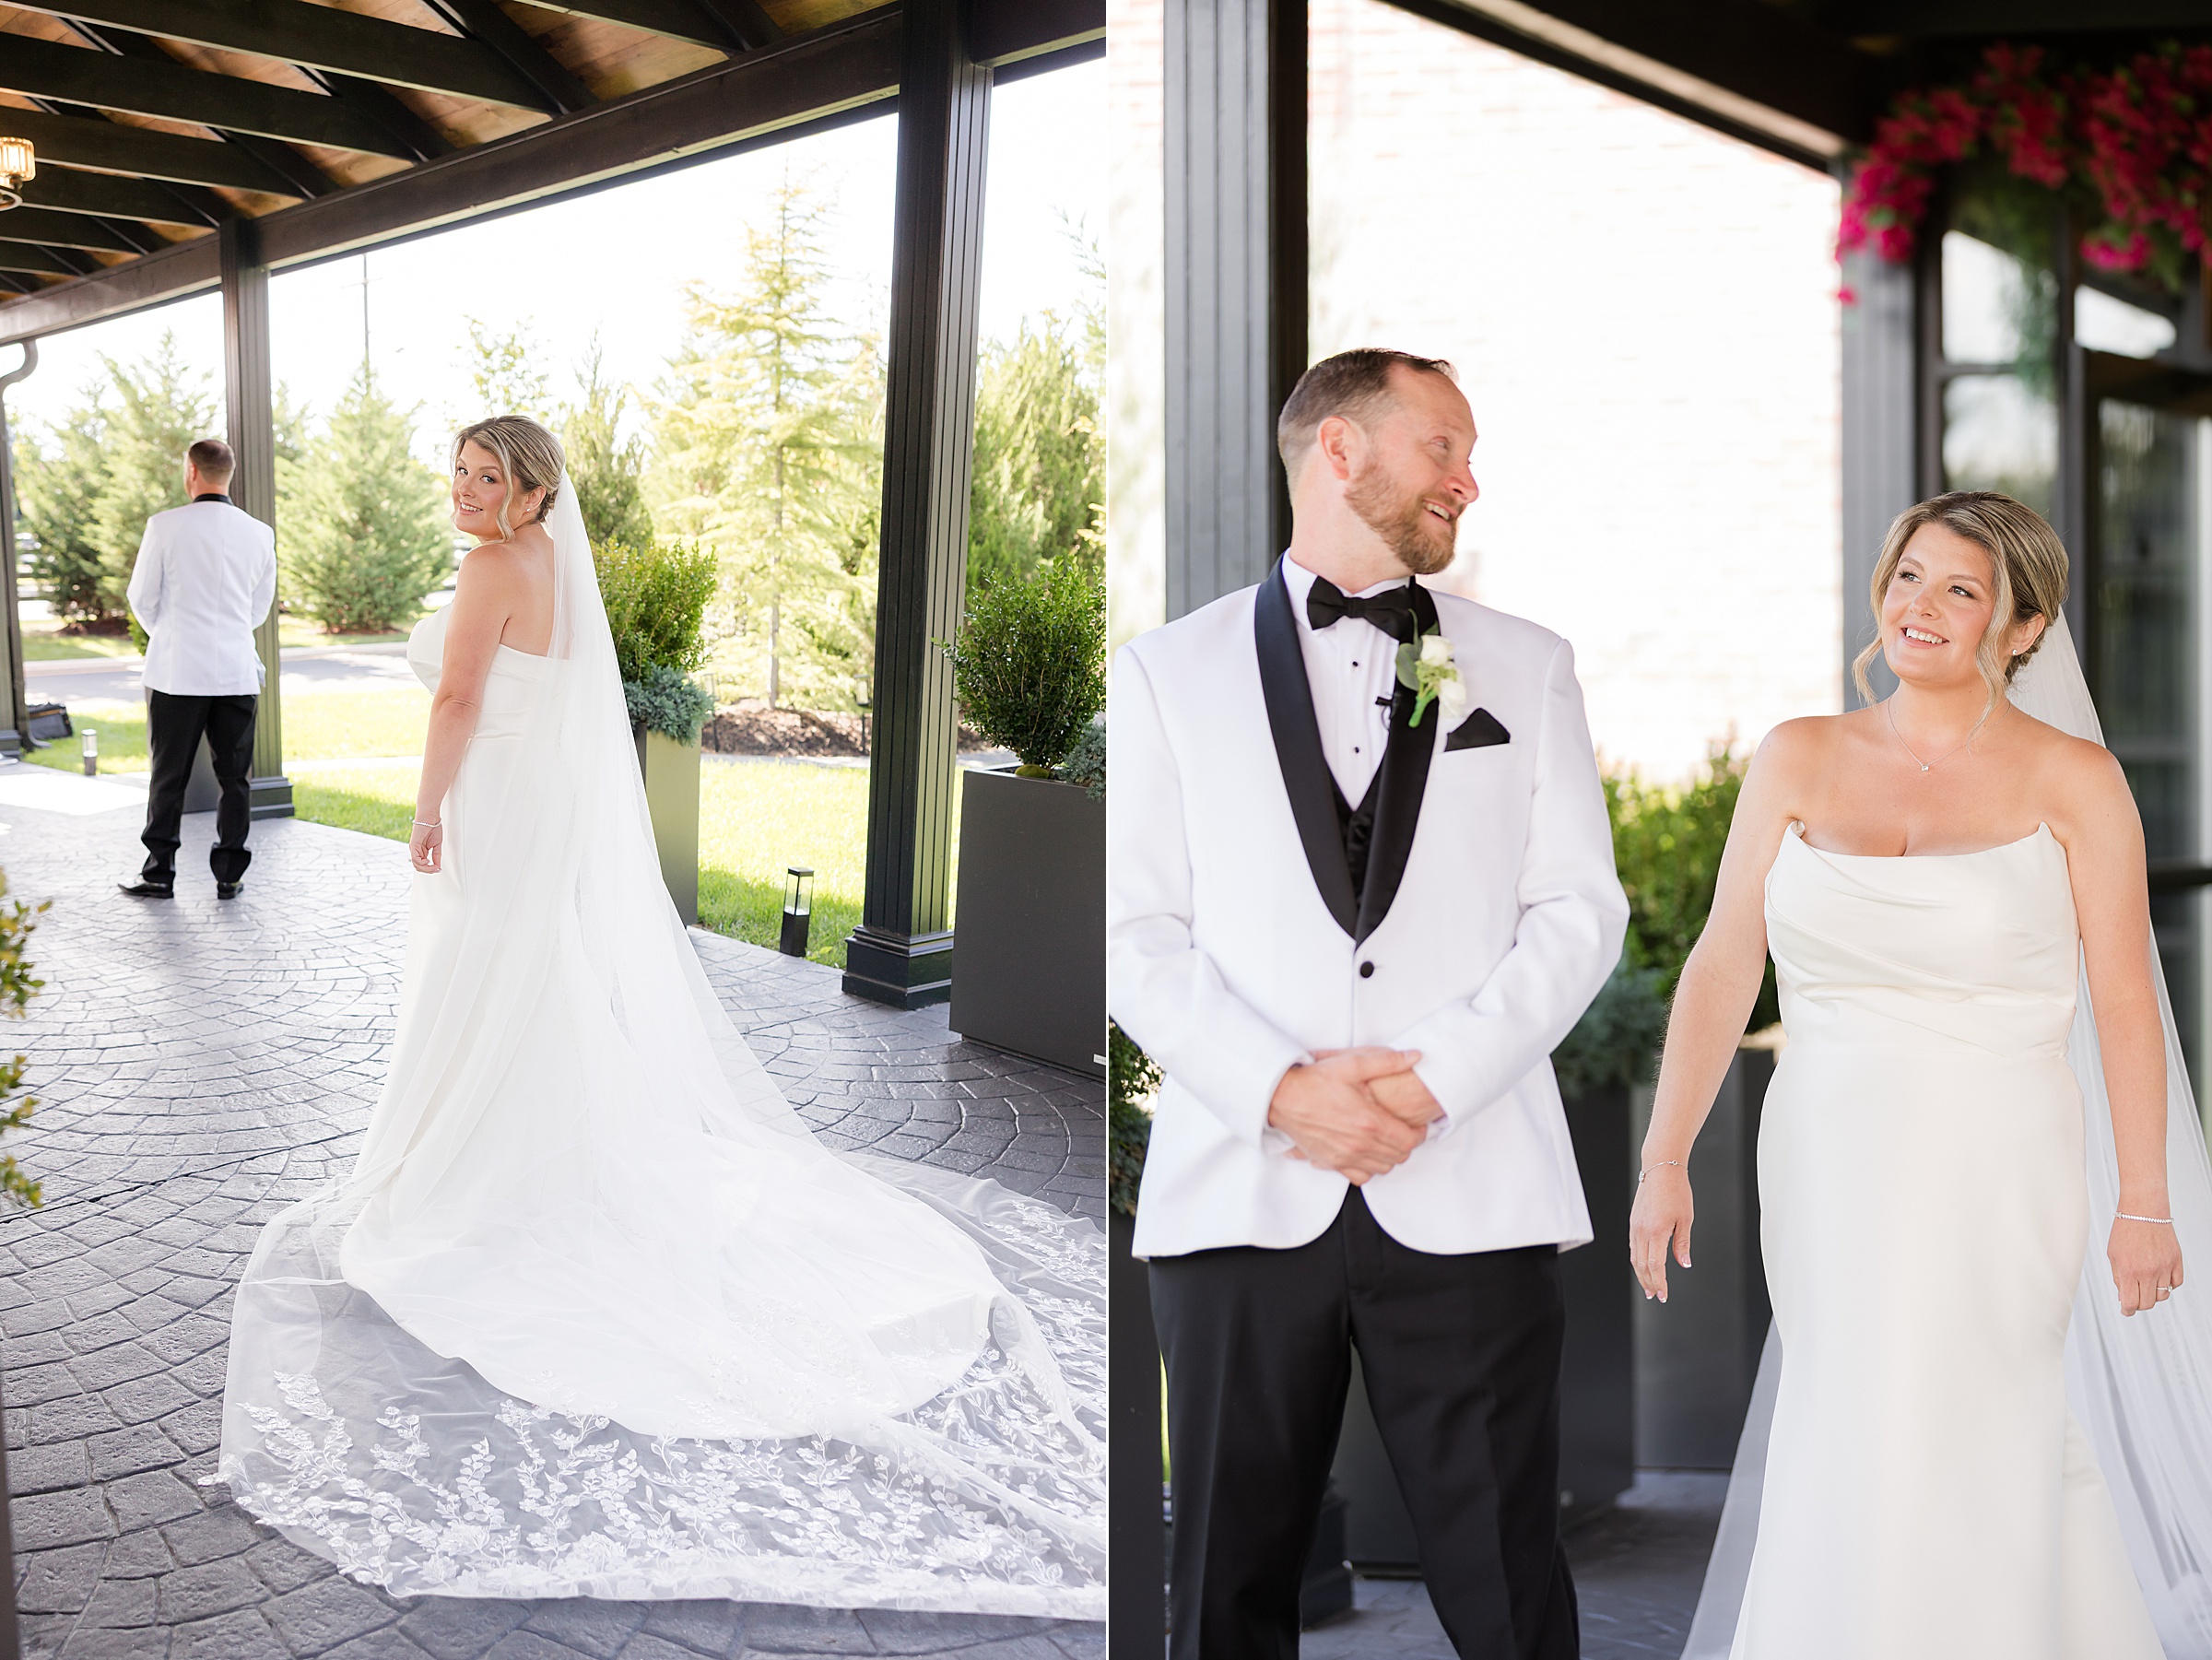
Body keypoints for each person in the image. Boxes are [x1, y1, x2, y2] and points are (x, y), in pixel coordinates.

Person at [215, 417, 1103, 1613]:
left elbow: (458, 701)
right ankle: (525, 1148)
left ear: (533, 492)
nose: (467, 493)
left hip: (488, 802)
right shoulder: (553, 572)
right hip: (535, 811)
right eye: (462, 474)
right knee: (529, 985)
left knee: (490, 985)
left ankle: (477, 1170)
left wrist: (425, 813)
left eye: (490, 477)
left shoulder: (494, 570)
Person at [1110, 349, 1627, 1660]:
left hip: (1470, 1186)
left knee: (1511, 1591)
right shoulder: (1168, 671)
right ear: (1339, 451)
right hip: (1237, 1188)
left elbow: (1579, 910)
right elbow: (1132, 932)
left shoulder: (1530, 664)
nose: (1469, 477)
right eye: (1444, 445)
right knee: (1224, 1589)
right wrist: (1281, 1093)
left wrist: (1436, 1080)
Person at [1637, 491, 2212, 1657]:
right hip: (1828, 1153)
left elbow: (2122, 1003)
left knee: (1987, 1416)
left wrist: (2142, 1198)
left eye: (1962, 589)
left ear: (2023, 627)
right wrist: (1664, 1156)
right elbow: (1723, 957)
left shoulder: (2076, 780)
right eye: (1909, 576)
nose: (1922, 607)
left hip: (2004, 1159)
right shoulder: (1796, 755)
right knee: (1847, 1414)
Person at [118, 438, 276, 901]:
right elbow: (258, 608)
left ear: (191, 471)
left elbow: (141, 598)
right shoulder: (259, 532)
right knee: (235, 779)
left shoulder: (164, 526)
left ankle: (159, 873)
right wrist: (226, 632)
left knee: (168, 776)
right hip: (236, 670)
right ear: (230, 474)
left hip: (176, 673)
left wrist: (169, 634)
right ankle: (229, 875)